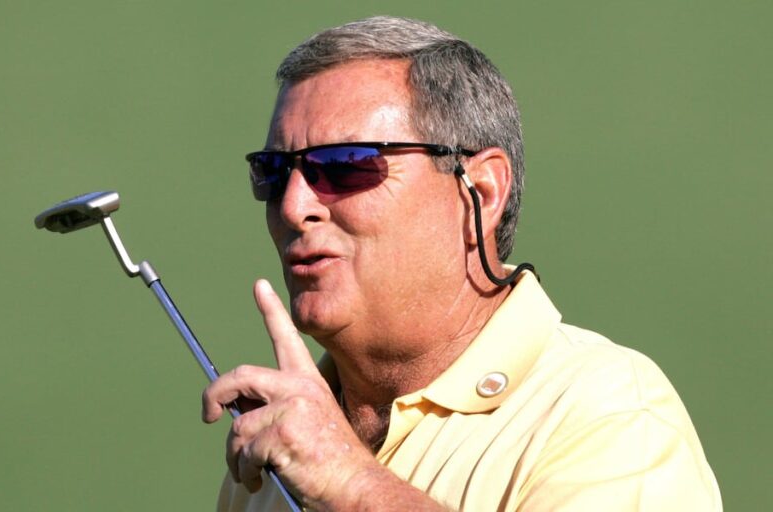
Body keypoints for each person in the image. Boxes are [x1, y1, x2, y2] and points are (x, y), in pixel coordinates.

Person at [201, 16, 721, 511]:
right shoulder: (281, 444)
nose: (294, 207)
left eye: (345, 164)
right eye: (273, 172)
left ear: (483, 191)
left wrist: (347, 481)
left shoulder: (610, 414)